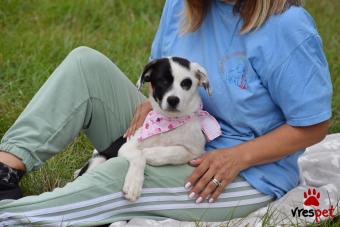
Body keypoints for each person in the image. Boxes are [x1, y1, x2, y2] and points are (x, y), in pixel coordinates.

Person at [0, 0, 332, 225]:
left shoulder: (287, 27)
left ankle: (14, 217)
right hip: (174, 127)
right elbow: (165, 72)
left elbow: (313, 126)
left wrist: (237, 157)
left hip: (240, 171)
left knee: (120, 173)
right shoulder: (183, 5)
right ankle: (6, 170)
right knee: (85, 64)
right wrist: (150, 104)